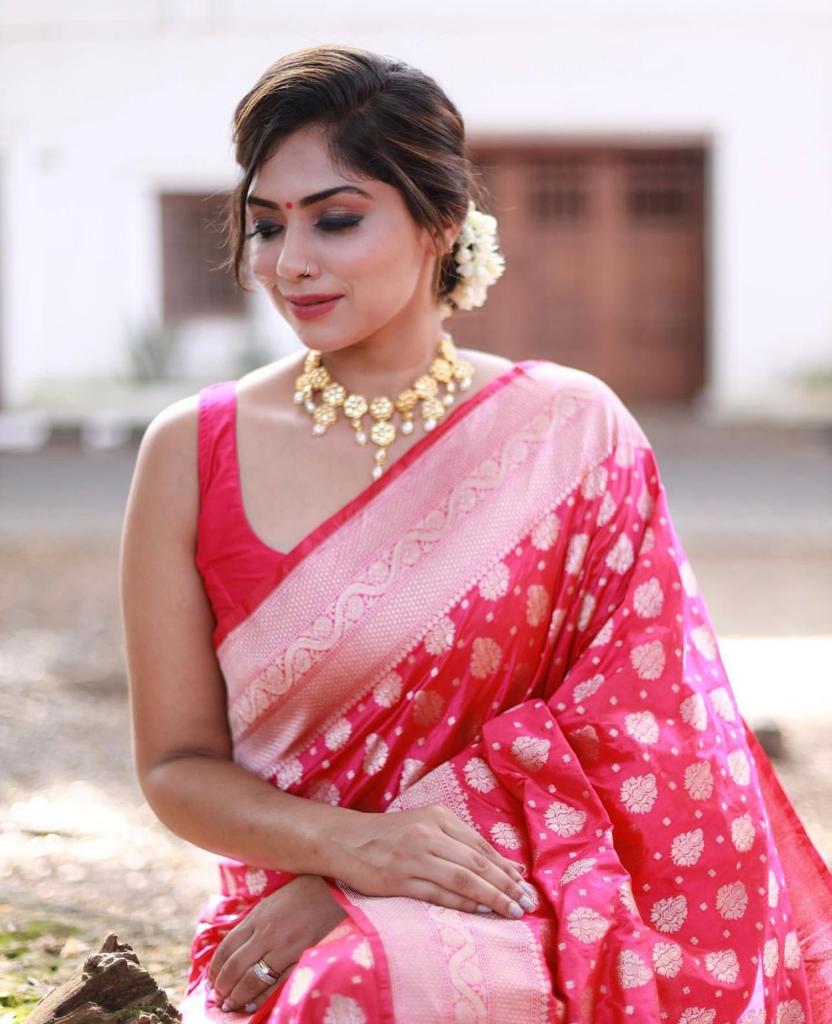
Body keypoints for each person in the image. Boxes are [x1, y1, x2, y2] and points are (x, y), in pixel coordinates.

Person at [119, 44, 832, 1024]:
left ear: (439, 226)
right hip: (281, 906)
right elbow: (174, 766)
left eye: (336, 218)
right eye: (265, 226)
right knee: (346, 985)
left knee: (372, 983)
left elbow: (655, 737)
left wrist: (367, 873)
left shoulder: (569, 432)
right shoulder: (189, 453)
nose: (291, 262)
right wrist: (342, 848)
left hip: (541, 882)